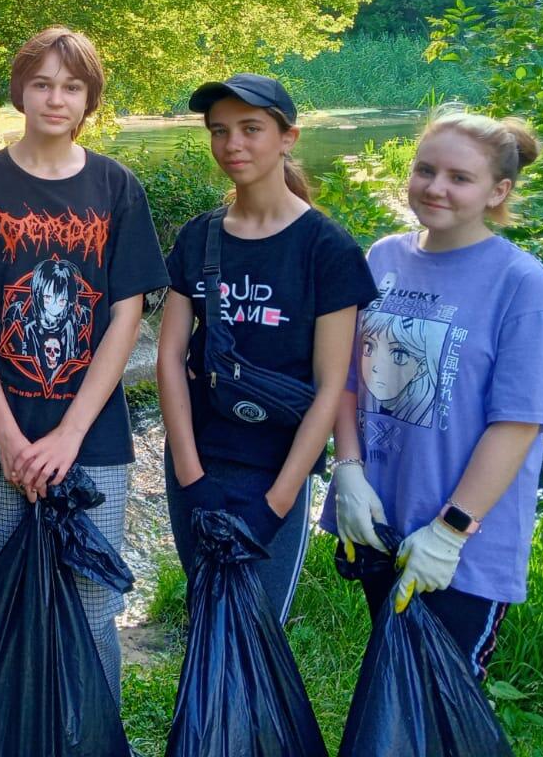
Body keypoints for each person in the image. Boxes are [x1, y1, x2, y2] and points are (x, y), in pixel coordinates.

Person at [0, 26, 167, 690]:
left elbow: (126, 314)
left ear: (90, 99)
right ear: (20, 91)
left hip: (91, 433)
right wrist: (8, 438)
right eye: (42, 84)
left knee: (91, 606)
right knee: (10, 596)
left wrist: (67, 436)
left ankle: (93, 735)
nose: (56, 99)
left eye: (72, 86)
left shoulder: (117, 187)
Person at [323, 106, 543, 679]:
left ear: (497, 191)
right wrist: (350, 471)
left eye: (460, 178)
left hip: (458, 549)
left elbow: (518, 423)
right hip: (382, 520)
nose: (435, 188)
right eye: (425, 170)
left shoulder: (521, 283)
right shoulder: (383, 257)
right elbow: (346, 378)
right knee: (393, 687)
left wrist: (451, 529)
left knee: (441, 706)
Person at [156, 73, 377, 622]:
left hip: (276, 470)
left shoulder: (327, 249)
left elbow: (331, 385)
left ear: (288, 138)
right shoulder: (198, 237)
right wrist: (192, 478)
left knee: (258, 635)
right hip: (197, 464)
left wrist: (275, 504)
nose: (233, 145)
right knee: (204, 618)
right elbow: (169, 357)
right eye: (220, 130)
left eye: (251, 129)